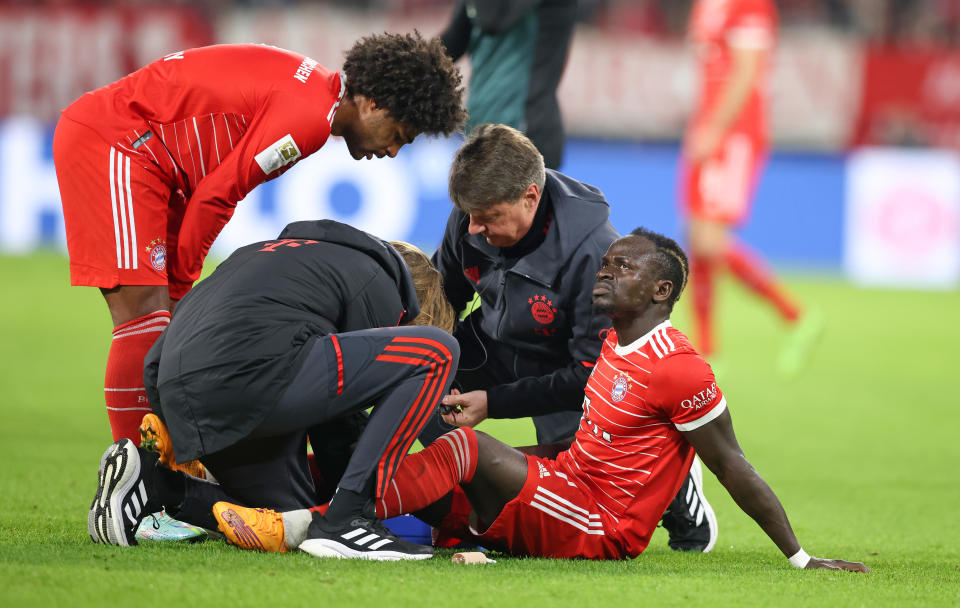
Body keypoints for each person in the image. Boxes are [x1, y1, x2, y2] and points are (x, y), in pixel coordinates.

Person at [216, 228, 869, 572]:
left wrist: (800, 556)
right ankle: (321, 514)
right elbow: (590, 443)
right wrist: (504, 430)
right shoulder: (615, 347)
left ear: (663, 292)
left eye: (625, 267)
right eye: (606, 262)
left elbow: (735, 464)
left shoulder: (680, 371)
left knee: (464, 452)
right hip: (572, 487)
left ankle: (307, 525)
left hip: (602, 526)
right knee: (452, 461)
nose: (607, 271)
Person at [53, 33, 465, 450]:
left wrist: (180, 288)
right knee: (145, 316)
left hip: (159, 162)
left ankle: (158, 467)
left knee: (159, 319)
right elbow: (218, 195)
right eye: (399, 133)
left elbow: (214, 190)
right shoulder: (308, 121)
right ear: (373, 102)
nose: (393, 151)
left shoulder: (312, 91)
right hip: (119, 142)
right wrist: (182, 286)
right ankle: (134, 477)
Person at [87, 220, 460, 561]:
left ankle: (157, 484)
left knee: (291, 522)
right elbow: (337, 424)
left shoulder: (269, 254)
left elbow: (159, 357)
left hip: (184, 389)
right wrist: (357, 502)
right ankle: (350, 521)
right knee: (439, 352)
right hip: (252, 374)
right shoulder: (382, 284)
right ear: (415, 308)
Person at [425, 123, 714, 552]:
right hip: (495, 342)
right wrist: (424, 352)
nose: (472, 229)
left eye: (488, 219)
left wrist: (495, 402)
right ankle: (466, 516)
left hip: (569, 368)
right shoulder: (474, 213)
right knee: (424, 384)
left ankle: (678, 493)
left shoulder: (595, 254)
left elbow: (589, 371)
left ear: (530, 196)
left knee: (591, 466)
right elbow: (444, 296)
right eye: (469, 216)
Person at [682, 0, 818, 372]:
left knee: (710, 238)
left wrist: (715, 126)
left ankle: (796, 316)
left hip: (734, 131)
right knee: (697, 238)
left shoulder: (749, 4)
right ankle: (708, 350)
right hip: (709, 124)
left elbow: (747, 71)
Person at [441, 0, 577, 169]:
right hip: (480, 130)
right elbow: (452, 42)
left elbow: (493, 20)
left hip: (525, 133)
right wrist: (406, 68)